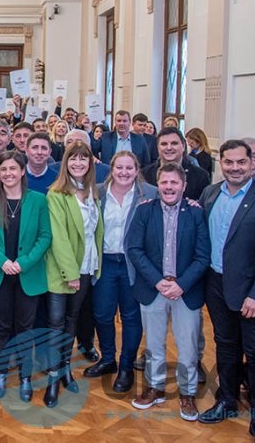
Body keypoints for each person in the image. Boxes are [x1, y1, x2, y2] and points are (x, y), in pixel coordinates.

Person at [197, 140, 255, 443]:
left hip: (252, 293)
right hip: (216, 285)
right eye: (228, 162)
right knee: (225, 345)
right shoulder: (210, 194)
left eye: (240, 162)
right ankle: (227, 400)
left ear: (253, 163)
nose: (234, 168)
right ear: (220, 163)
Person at [126, 163, 211, 421]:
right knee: (153, 343)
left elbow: (203, 255)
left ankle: (187, 394)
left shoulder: (196, 213)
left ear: (184, 186)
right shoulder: (144, 211)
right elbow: (134, 250)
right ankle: (155, 388)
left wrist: (181, 284)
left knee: (187, 346)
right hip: (154, 289)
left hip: (186, 290)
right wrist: (158, 281)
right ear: (158, 184)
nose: (169, 187)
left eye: (175, 183)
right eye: (164, 182)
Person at [0, 151, 51, 402]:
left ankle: (25, 376)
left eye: (13, 169)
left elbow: (45, 237)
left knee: (25, 327)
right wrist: (3, 262)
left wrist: (23, 263)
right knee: (2, 326)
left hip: (27, 273)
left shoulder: (38, 200)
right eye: (3, 169)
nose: (8, 174)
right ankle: (1, 373)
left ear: (22, 171)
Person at [83, 151, 157, 392]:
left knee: (131, 317)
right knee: (102, 314)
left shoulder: (150, 194)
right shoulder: (97, 192)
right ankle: (108, 359)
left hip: (132, 265)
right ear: (111, 169)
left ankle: (126, 366)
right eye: (119, 168)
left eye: (129, 168)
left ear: (137, 170)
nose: (124, 172)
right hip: (105, 262)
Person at [44, 141, 103, 408]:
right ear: (65, 163)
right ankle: (53, 377)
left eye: (84, 159)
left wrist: (92, 267)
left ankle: (65, 367)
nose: (78, 163)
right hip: (63, 271)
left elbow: (94, 232)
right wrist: (70, 273)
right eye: (73, 159)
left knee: (72, 321)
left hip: (87, 266)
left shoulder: (92, 191)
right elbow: (59, 238)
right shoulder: (56, 194)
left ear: (91, 163)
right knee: (56, 324)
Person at [141, 128, 210, 201]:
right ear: (158, 148)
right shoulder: (144, 175)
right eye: (164, 144)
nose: (169, 148)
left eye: (174, 143)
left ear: (183, 146)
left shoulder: (201, 176)